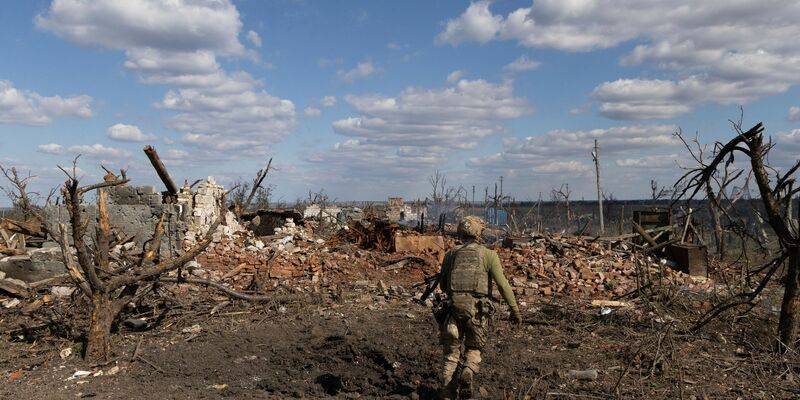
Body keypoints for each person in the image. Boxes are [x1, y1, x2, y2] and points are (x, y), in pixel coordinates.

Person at [435, 216, 521, 399]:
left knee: (450, 355)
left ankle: (447, 393)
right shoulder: (489, 255)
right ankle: (469, 369)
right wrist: (515, 311)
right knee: (474, 348)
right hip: (477, 313)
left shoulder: (450, 255)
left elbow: (443, 285)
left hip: (452, 311)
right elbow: (503, 285)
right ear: (479, 233)